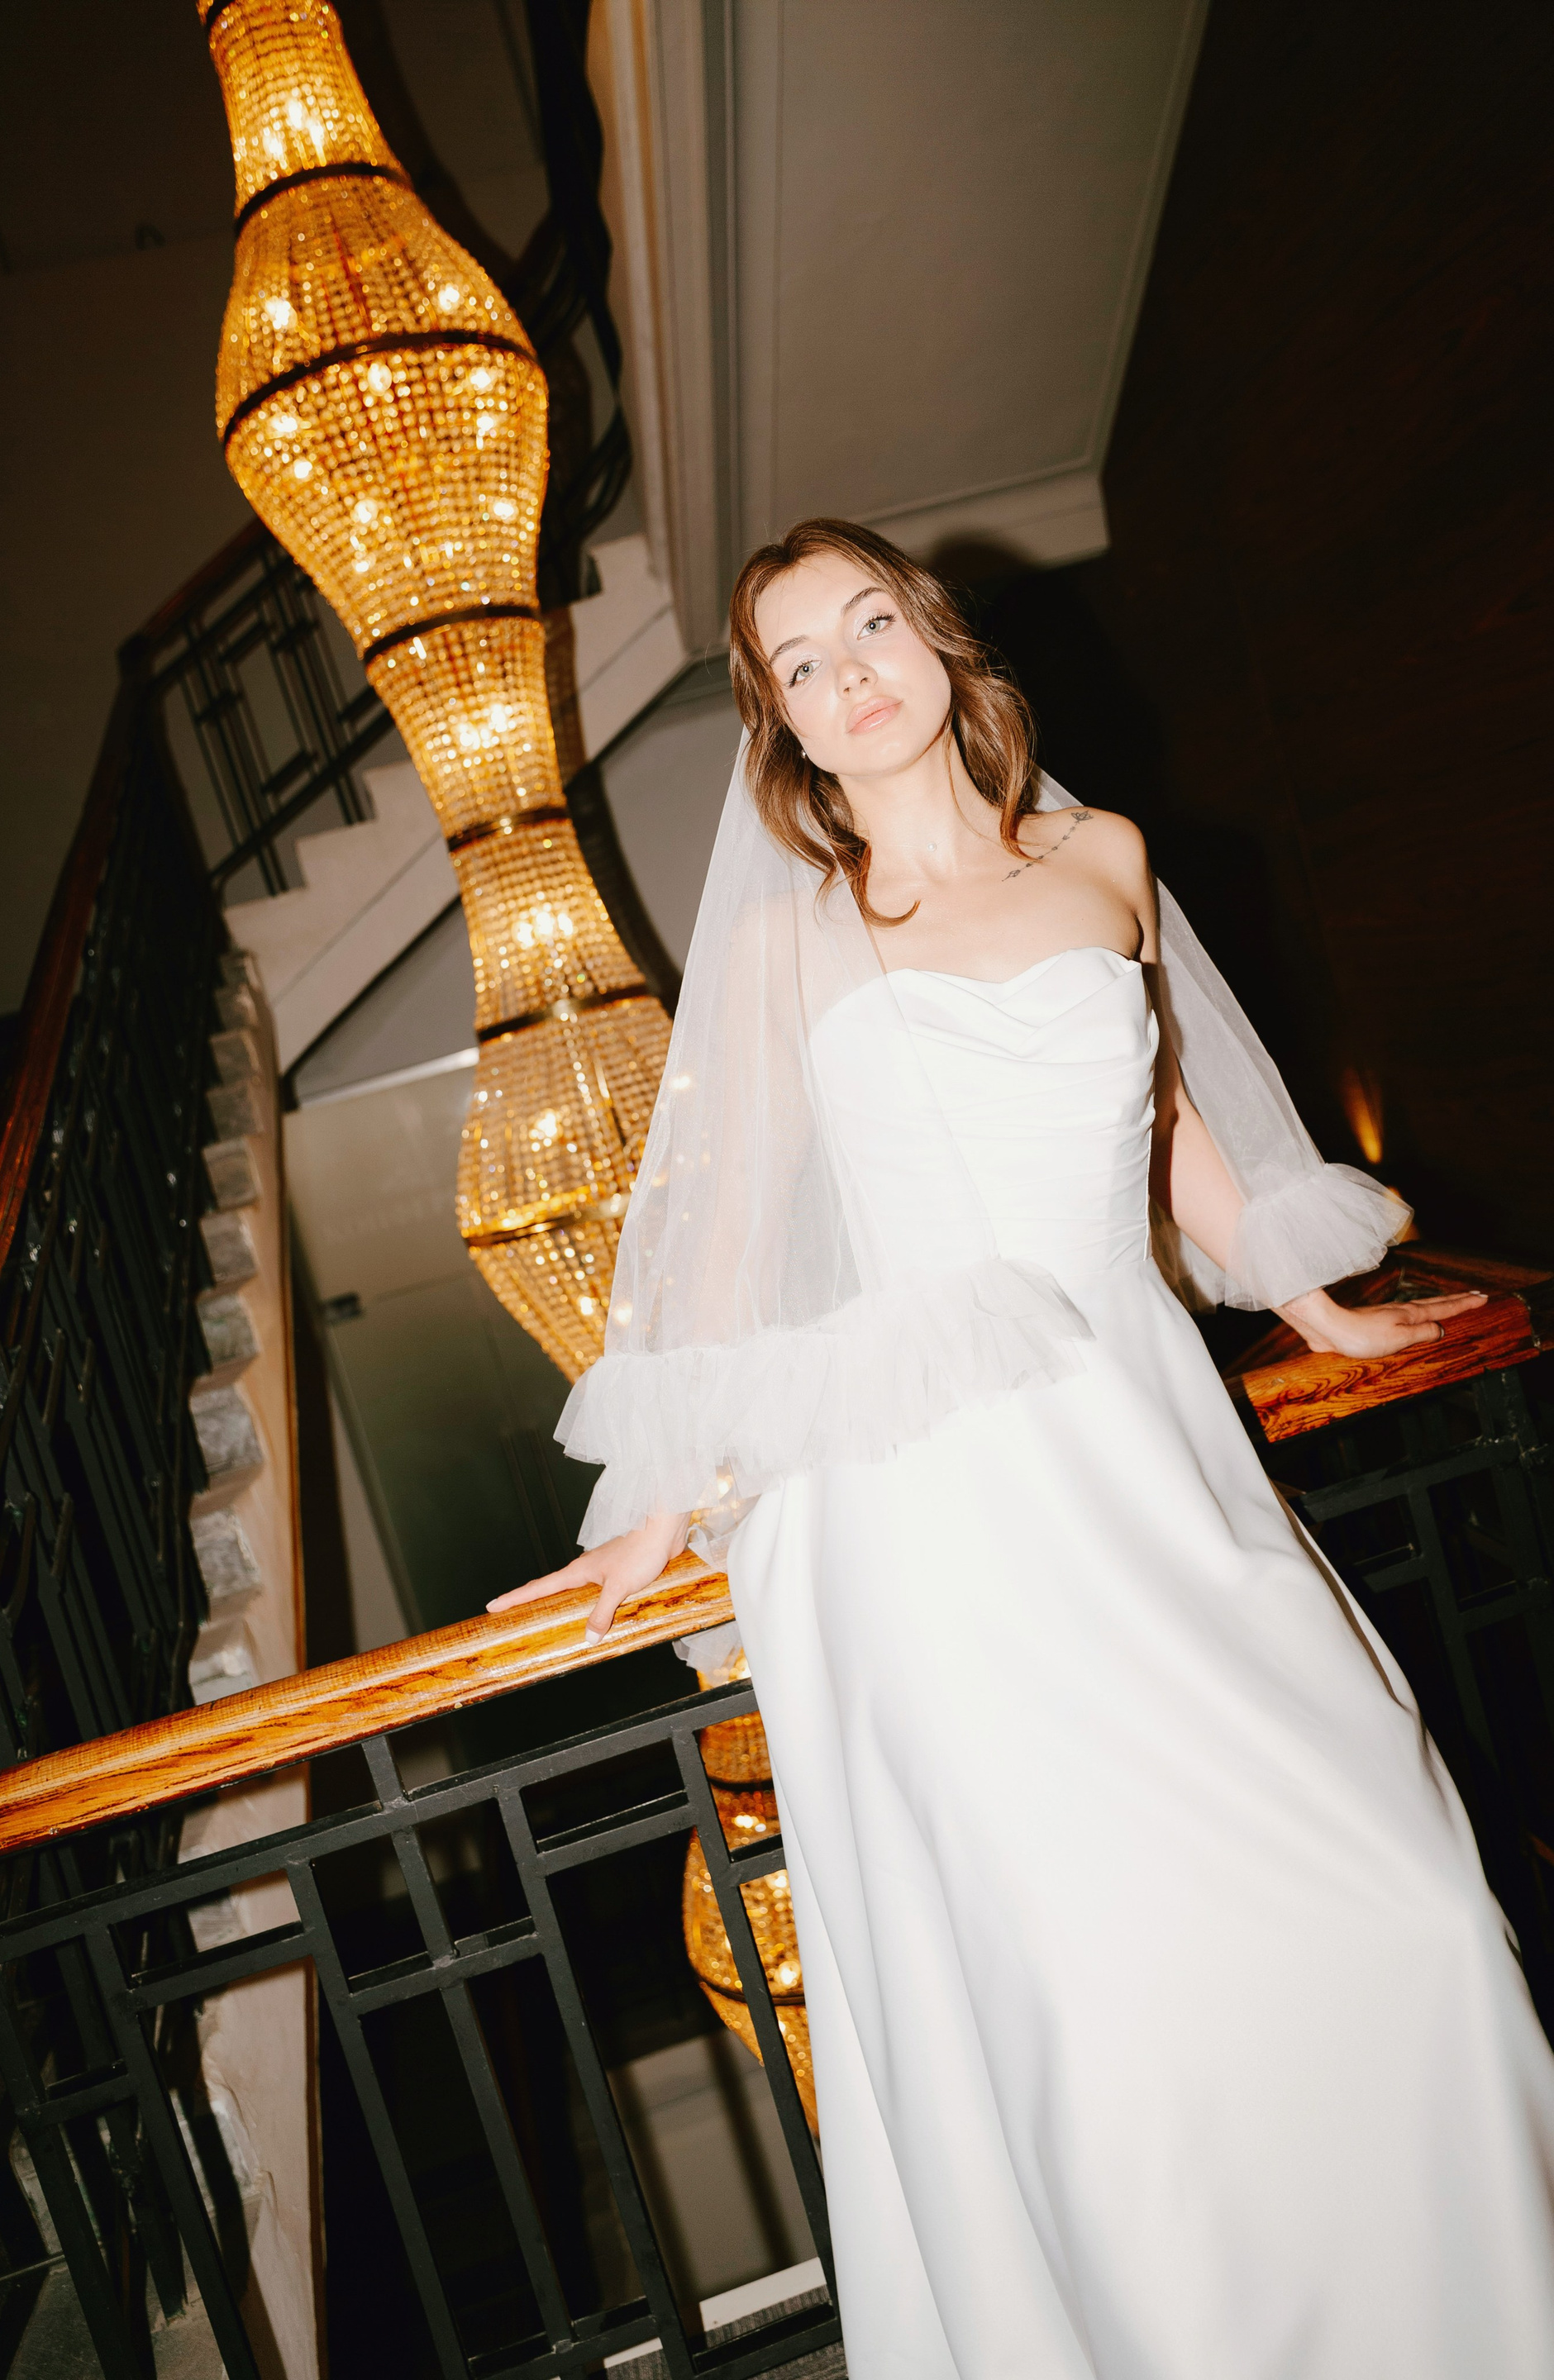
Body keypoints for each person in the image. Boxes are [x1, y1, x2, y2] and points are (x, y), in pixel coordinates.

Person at [490, 519, 1554, 2378]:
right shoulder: (795, 937)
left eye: (869, 623)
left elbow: (1166, 1117)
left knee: (1409, 1917)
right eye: (801, 663)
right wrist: (654, 1503)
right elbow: (728, 1245)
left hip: (1148, 1442)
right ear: (782, 725)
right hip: (932, 1506)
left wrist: (1310, 1307)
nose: (848, 673)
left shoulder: (1104, 857)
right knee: (1104, 2022)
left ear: (936, 640)